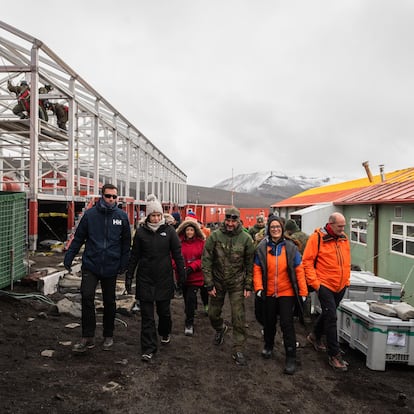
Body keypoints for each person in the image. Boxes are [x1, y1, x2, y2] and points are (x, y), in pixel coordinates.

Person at [64, 184, 131, 353]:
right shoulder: (90, 215)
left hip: (111, 266)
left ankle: (108, 335)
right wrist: (69, 256)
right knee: (87, 297)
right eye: (108, 196)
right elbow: (79, 238)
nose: (111, 199)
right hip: (91, 265)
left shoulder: (122, 217)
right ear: (102, 196)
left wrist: (124, 263)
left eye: (114, 197)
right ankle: (88, 336)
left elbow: (126, 243)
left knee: (110, 302)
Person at [125, 194, 186, 362]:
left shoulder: (169, 231)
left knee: (164, 313)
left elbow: (178, 255)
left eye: (159, 214)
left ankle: (165, 332)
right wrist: (129, 277)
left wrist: (182, 275)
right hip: (145, 279)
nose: (156, 217)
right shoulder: (141, 233)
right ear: (148, 216)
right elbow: (134, 256)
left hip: (164, 279)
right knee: (147, 317)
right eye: (153, 215)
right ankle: (148, 348)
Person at [253, 215, 308, 375]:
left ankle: (290, 356)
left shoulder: (291, 248)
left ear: (282, 229)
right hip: (269, 292)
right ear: (268, 230)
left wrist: (303, 291)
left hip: (286, 292)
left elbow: (299, 269)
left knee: (287, 324)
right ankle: (268, 346)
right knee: (269, 322)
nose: (275, 229)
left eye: (278, 227)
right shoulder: (262, 247)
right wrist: (258, 287)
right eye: (272, 227)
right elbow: (257, 269)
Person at [202, 207, 255, 366]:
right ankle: (220, 328)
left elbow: (250, 264)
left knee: (238, 316)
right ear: (225, 220)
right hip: (217, 282)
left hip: (237, 283)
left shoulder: (246, 239)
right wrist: (209, 282)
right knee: (212, 313)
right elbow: (206, 260)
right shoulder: (215, 236)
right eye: (228, 220)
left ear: (238, 221)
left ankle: (238, 348)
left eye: (234, 221)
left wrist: (248, 285)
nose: (230, 223)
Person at [302, 212, 351, 372]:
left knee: (328, 313)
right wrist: (316, 284)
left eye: (344, 226)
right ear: (330, 224)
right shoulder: (316, 238)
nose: (342, 229)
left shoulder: (343, 238)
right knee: (331, 317)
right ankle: (334, 355)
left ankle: (314, 336)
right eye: (339, 226)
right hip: (325, 285)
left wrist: (347, 280)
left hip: (341, 285)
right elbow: (307, 262)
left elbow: (347, 260)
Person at [176, 218, 206, 336]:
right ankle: (191, 311)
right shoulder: (178, 242)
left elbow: (203, 258)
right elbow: (173, 256)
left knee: (190, 299)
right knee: (186, 298)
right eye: (187, 230)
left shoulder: (201, 243)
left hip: (195, 276)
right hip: (182, 276)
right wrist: (179, 267)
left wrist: (192, 267)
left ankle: (189, 323)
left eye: (191, 230)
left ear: (195, 231)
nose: (189, 232)